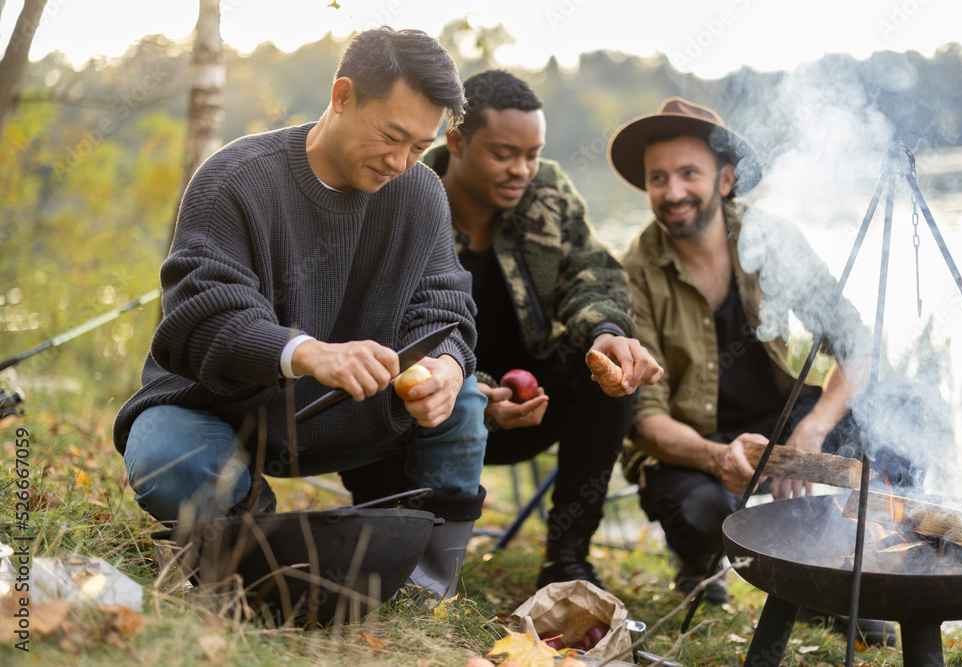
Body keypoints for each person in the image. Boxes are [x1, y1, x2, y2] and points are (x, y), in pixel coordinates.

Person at [112, 27, 489, 599]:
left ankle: (420, 585)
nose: (401, 160)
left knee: (461, 399)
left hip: (361, 416)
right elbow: (197, 318)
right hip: (226, 412)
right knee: (167, 454)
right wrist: (307, 353)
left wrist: (447, 365)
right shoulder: (236, 179)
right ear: (342, 95)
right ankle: (260, 546)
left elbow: (447, 305)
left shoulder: (420, 192)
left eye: (419, 146)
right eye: (392, 136)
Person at [609, 98, 917, 645]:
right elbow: (645, 420)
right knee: (703, 512)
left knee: (896, 436)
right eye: (659, 178)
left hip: (783, 417)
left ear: (726, 179)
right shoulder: (633, 270)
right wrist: (718, 457)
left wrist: (812, 431)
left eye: (688, 174)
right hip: (693, 439)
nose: (673, 192)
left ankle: (831, 578)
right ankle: (697, 566)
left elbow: (856, 342)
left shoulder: (770, 238)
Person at [424, 69, 664, 589]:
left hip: (533, 405)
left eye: (532, 154)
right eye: (504, 154)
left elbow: (592, 270)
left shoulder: (548, 190)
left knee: (604, 371)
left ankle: (568, 559)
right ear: (457, 140)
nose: (522, 170)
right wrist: (474, 390)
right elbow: (393, 328)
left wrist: (605, 330)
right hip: (437, 405)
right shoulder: (409, 201)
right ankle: (412, 548)